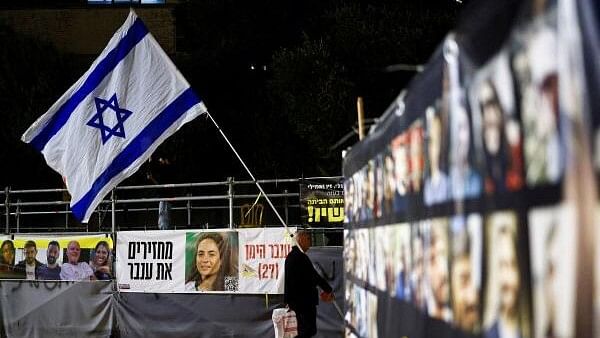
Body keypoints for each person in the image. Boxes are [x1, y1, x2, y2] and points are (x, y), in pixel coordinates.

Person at [284, 230, 333, 338]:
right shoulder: (300, 257)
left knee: (305, 330)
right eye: (308, 239)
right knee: (308, 330)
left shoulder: (291, 256)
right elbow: (314, 276)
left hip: (298, 301)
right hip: (304, 302)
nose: (310, 242)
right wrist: (328, 289)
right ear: (300, 240)